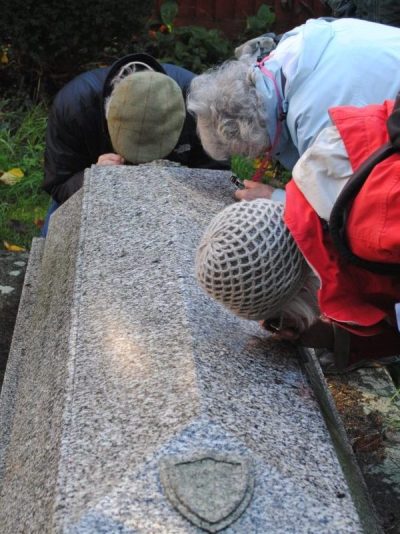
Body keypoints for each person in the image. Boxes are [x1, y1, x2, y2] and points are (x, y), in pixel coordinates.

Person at [194, 98, 400, 371]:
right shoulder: (328, 159)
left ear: (300, 290)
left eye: (277, 318)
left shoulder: (375, 236)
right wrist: (336, 338)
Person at [187, 17, 400, 202]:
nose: (253, 157)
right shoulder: (290, 46)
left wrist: (274, 198)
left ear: (250, 137)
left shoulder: (315, 121)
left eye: (247, 152)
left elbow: (342, 206)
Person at [42, 53, 224, 234]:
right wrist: (92, 178)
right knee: (53, 233)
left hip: (174, 193)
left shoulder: (199, 104)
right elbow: (58, 183)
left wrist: (235, 184)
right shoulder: (74, 107)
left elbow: (223, 174)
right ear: (107, 115)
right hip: (97, 194)